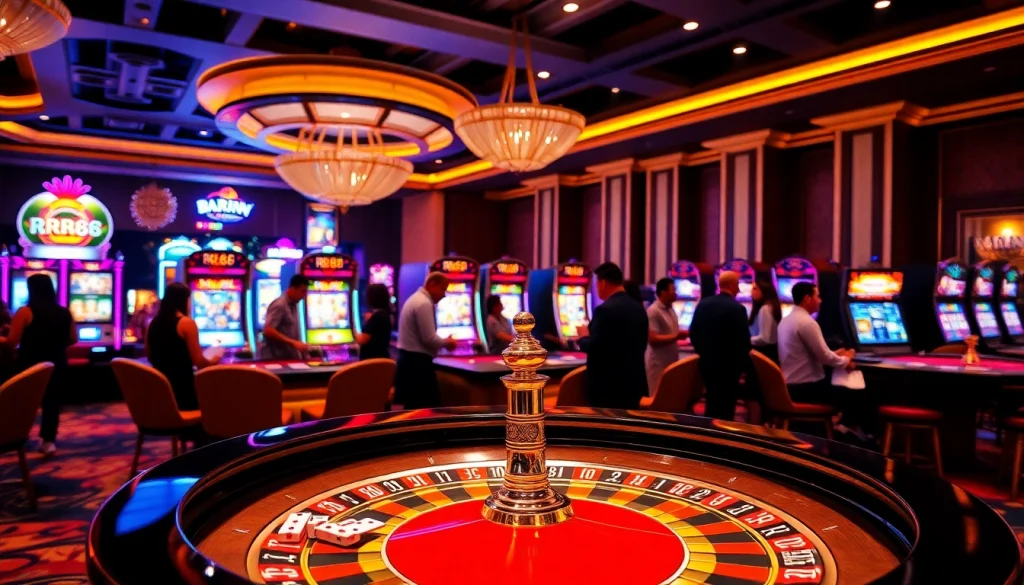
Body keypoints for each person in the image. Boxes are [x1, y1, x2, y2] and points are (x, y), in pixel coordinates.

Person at [777, 282, 868, 437]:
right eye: (817, 296)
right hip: (808, 390)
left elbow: (812, 355)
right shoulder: (807, 322)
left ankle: (846, 429)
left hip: (792, 387)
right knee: (860, 392)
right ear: (807, 299)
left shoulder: (786, 320)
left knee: (849, 389)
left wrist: (836, 354)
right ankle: (853, 433)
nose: (820, 300)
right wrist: (846, 361)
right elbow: (825, 358)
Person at [0, 274, 76, 456]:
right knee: (52, 402)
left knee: (23, 402)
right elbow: (73, 339)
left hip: (30, 363)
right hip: (56, 362)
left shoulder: (25, 312)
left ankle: (17, 437)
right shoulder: (65, 312)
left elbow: (12, 342)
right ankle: (48, 441)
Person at [576, 262, 648, 408]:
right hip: (635, 383)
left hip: (610, 390)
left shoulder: (605, 310)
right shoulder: (638, 308)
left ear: (602, 283)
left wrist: (583, 337)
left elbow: (597, 348)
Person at [147, 282, 221, 412]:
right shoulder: (186, 323)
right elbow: (200, 363)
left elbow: (150, 356)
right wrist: (215, 358)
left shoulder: (152, 323)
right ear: (183, 300)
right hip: (183, 393)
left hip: (159, 393)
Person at [689, 271, 751, 421]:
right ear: (730, 285)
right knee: (726, 406)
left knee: (711, 399)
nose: (738, 289)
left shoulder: (703, 304)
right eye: (737, 285)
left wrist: (702, 353)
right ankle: (724, 437)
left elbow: (693, 332)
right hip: (729, 366)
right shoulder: (738, 309)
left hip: (707, 363)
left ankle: (709, 434)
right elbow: (744, 341)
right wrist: (743, 366)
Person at [394, 272, 457, 408]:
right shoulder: (424, 303)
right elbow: (429, 338)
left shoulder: (416, 299)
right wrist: (447, 342)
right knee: (426, 411)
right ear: (432, 285)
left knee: (412, 411)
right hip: (417, 365)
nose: (444, 294)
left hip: (409, 361)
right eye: (443, 289)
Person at [645, 278, 687, 396]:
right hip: (657, 362)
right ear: (663, 292)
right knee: (657, 397)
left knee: (669, 396)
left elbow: (672, 332)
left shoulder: (671, 309)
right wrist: (676, 336)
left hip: (670, 360)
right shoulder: (653, 311)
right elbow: (652, 339)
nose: (676, 293)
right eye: (673, 290)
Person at [260, 274, 309, 360]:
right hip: (275, 358)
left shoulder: (293, 304)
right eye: (303, 291)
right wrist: (292, 342)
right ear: (293, 288)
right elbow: (268, 330)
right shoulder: (280, 305)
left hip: (287, 356)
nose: (304, 296)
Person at [356, 283, 393, 360]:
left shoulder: (377, 316)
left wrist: (354, 332)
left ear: (373, 298)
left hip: (372, 361)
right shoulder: (385, 314)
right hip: (381, 359)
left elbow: (362, 340)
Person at [749, 279, 781, 364]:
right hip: (770, 351)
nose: (752, 291)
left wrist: (746, 340)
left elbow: (764, 339)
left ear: (764, 291)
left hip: (764, 352)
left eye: (755, 288)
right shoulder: (769, 306)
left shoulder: (765, 309)